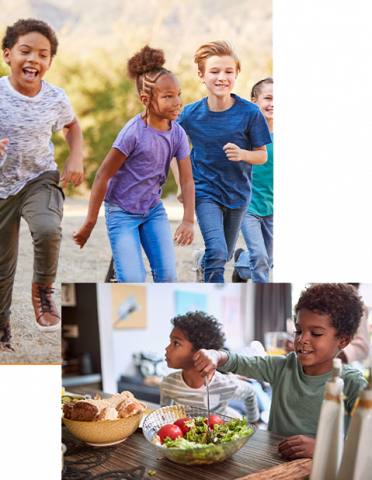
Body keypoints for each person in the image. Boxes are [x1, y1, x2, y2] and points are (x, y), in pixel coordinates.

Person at [192, 283, 368, 459]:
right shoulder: (282, 367)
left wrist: (323, 447)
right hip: (273, 463)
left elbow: (367, 440)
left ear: (343, 341)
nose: (302, 340)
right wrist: (215, 355)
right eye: (298, 331)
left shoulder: (352, 383)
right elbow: (237, 362)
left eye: (315, 333)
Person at [73, 45, 195, 283]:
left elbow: (188, 179)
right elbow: (102, 176)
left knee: (168, 277)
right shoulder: (133, 133)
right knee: (134, 281)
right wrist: (89, 222)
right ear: (146, 100)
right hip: (121, 211)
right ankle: (120, 273)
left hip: (152, 209)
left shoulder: (178, 133)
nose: (177, 101)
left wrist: (188, 220)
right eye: (168, 96)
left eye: (178, 94)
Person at [0, 18, 84, 349]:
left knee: (48, 228)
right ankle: (2, 325)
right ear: (8, 55)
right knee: (2, 267)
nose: (34, 59)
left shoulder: (55, 97)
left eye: (43, 54)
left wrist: (75, 156)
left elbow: (72, 126)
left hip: (40, 179)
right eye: (25, 51)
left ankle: (43, 292)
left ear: (49, 62)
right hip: (2, 188)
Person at [174, 40, 272, 283]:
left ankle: (202, 262)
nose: (222, 77)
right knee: (217, 251)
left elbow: (262, 155)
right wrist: (182, 185)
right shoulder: (189, 114)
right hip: (205, 192)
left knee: (225, 254)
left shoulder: (250, 113)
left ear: (236, 74)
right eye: (214, 71)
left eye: (229, 71)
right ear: (201, 75)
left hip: (239, 194)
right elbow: (172, 150)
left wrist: (243, 154)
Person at [160, 312, 259, 425]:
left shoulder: (226, 384)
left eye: (176, 343)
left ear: (201, 352)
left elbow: (250, 392)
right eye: (170, 342)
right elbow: (164, 416)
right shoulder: (168, 384)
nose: (167, 348)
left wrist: (253, 421)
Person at [233, 77, 274, 283]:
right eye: (268, 98)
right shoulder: (244, 133)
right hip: (248, 205)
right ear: (253, 101)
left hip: (272, 206)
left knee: (268, 260)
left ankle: (241, 265)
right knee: (260, 258)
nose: (272, 103)